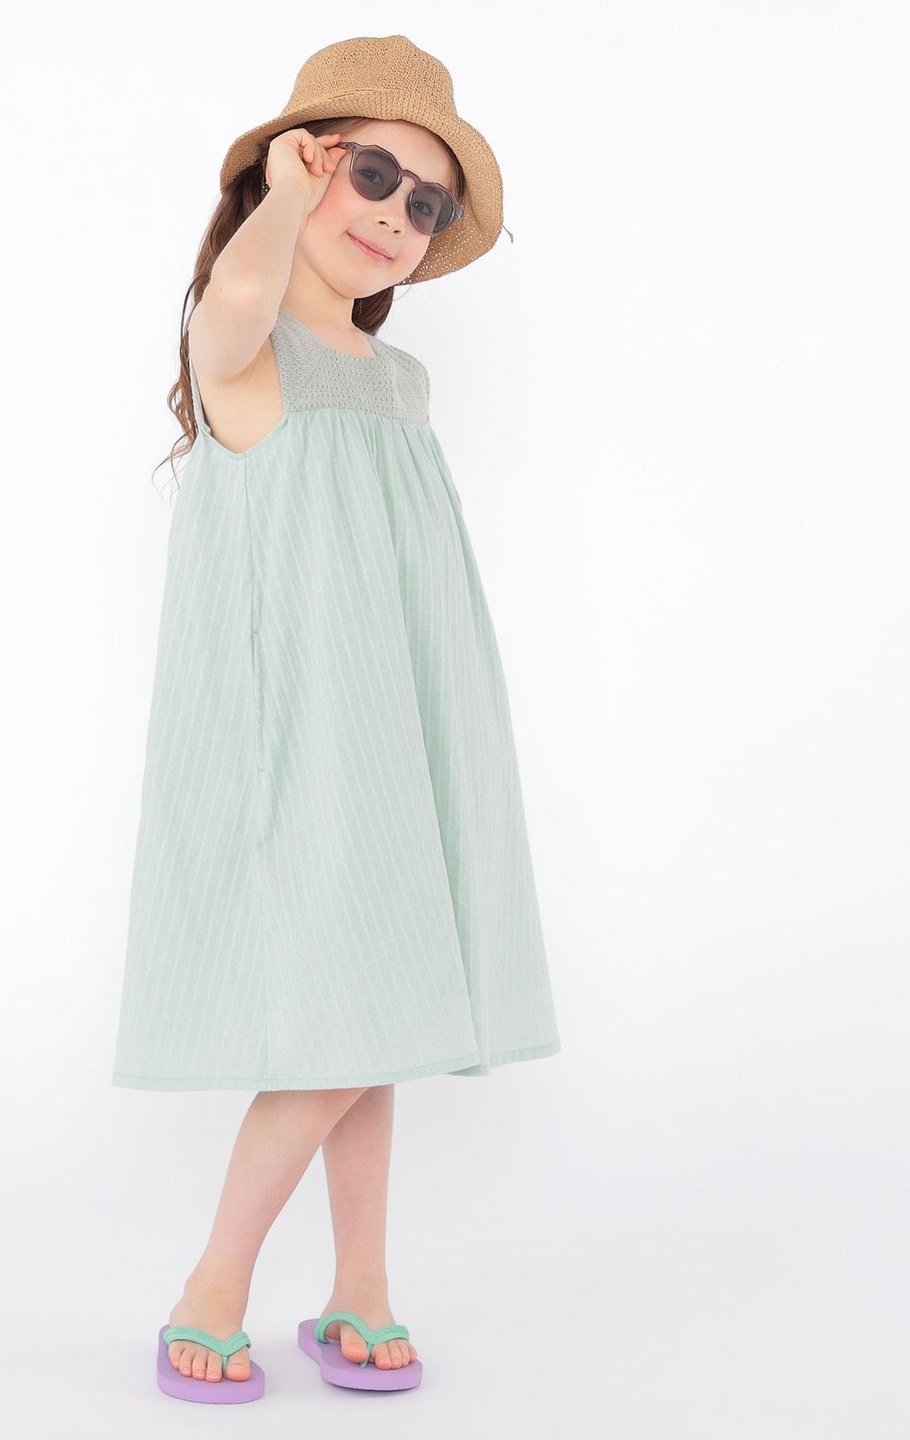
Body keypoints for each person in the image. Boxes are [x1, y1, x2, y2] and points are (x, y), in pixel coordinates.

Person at [112, 35, 562, 1404]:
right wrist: (281, 195)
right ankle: (213, 1284)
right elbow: (238, 297)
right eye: (372, 175)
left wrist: (443, 725)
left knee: (384, 1014)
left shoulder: (401, 382)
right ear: (303, 169)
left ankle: (361, 1282)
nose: (397, 216)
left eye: (426, 204)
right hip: (304, 732)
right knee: (341, 1022)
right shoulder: (246, 348)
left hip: (401, 722)